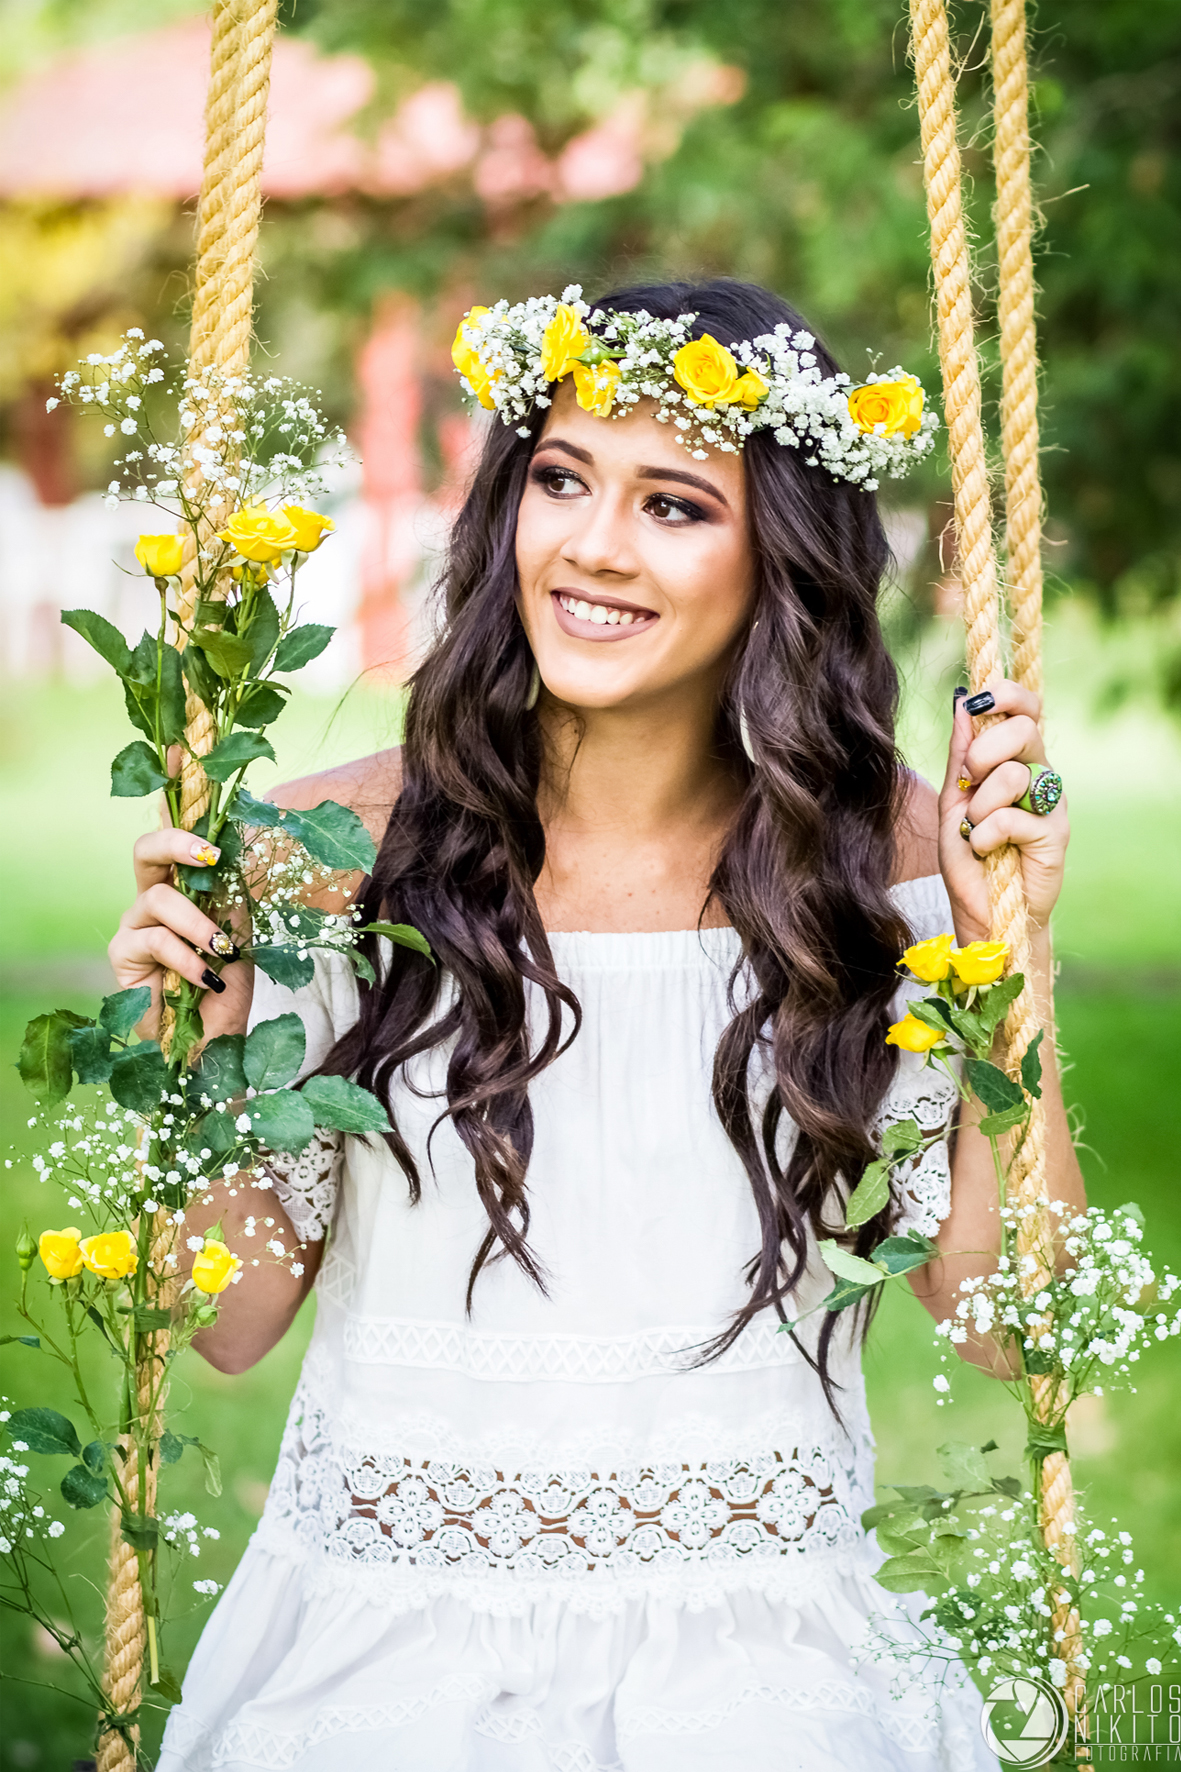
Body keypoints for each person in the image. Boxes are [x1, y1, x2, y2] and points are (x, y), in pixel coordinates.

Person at [112, 280, 1081, 1770]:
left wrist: (1011, 960)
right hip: (383, 1651)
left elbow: (1016, 1328)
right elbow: (226, 1326)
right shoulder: (318, 853)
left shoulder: (896, 871)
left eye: (673, 505)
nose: (593, 545)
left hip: (760, 1669)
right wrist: (191, 1038)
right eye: (561, 479)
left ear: (783, 558)